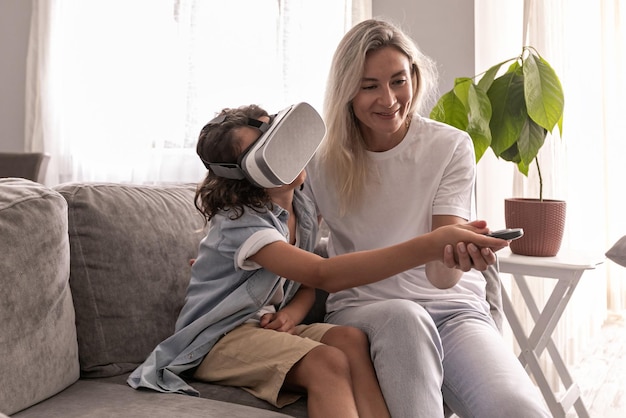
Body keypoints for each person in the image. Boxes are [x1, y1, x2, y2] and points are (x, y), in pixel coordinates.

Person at [127, 104, 509, 418]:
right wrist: (432, 243)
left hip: (260, 330)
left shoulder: (304, 208)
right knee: (328, 364)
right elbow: (322, 274)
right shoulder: (242, 224)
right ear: (243, 176)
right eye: (262, 152)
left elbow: (305, 280)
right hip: (215, 340)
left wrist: (293, 313)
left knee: (350, 340)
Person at [303, 19, 552, 418]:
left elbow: (441, 277)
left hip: (452, 310)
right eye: (369, 86)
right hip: (368, 309)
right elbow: (287, 240)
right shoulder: (320, 162)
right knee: (405, 316)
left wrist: (455, 257)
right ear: (346, 90)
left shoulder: (449, 146)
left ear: (414, 77)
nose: (389, 99)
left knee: (519, 410)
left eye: (398, 80)